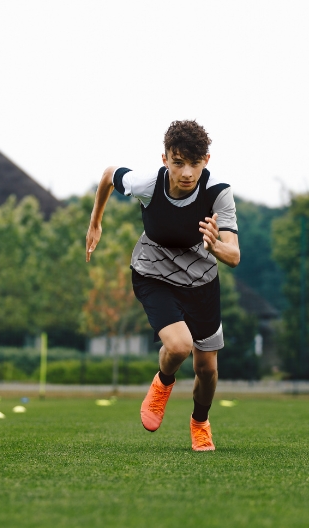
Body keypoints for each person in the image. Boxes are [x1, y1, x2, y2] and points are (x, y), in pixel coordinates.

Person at [85, 120, 240, 451]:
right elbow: (109, 175)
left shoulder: (218, 193)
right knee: (180, 345)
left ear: (206, 161)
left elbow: (234, 255)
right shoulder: (148, 184)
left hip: (201, 282)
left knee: (207, 369)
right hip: (153, 274)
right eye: (178, 162)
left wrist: (215, 247)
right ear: (165, 158)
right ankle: (163, 383)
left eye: (194, 163)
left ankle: (200, 422)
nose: (186, 172)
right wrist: (95, 221)